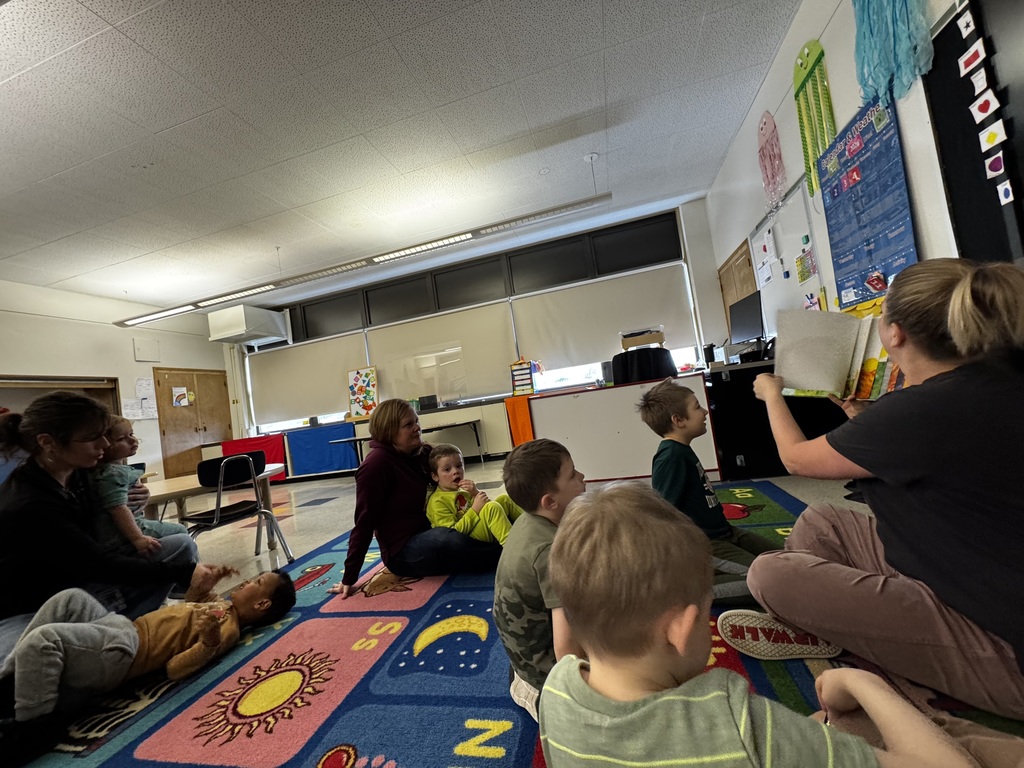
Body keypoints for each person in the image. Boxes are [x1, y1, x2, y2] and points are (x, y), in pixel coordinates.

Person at [730, 260, 1024, 720]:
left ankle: (869, 656)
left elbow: (795, 459)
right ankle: (846, 627)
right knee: (823, 520)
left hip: (1001, 643)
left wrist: (771, 394)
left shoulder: (919, 411)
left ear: (894, 334)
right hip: (961, 570)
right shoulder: (994, 382)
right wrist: (865, 422)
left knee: (770, 574)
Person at [539, 482, 982, 768]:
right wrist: (865, 682)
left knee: (822, 726)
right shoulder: (737, 721)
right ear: (682, 628)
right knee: (920, 732)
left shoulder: (557, 691)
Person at [0, 392, 230, 658]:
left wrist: (137, 500)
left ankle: (128, 630)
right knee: (37, 658)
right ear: (48, 443)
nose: (105, 443)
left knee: (178, 545)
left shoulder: (79, 473)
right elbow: (99, 565)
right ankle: (126, 636)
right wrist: (185, 572)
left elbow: (105, 523)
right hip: (39, 606)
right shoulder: (29, 504)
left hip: (82, 582)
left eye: (105, 434)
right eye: (91, 437)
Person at [0, 569, 295, 765]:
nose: (247, 582)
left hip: (124, 651)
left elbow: (175, 669)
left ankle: (33, 728)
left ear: (262, 605)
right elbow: (187, 610)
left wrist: (207, 643)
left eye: (256, 583)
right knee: (70, 598)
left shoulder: (226, 630)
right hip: (122, 627)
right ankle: (8, 679)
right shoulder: (220, 607)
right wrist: (202, 587)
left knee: (44, 640)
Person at [329, 399, 502, 598]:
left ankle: (514, 536)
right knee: (447, 539)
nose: (417, 428)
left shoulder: (421, 452)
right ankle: (505, 554)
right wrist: (349, 577)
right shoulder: (375, 466)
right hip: (404, 550)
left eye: (416, 421)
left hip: (439, 526)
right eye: (408, 425)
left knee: (493, 509)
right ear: (389, 430)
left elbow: (450, 469)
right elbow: (364, 523)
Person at [638, 379, 785, 608]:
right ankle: (686, 592)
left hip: (726, 533)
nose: (705, 411)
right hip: (707, 544)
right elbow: (663, 514)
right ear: (678, 421)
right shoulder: (670, 457)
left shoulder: (681, 450)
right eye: (697, 407)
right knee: (770, 582)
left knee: (787, 560)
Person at [493, 438, 586, 721]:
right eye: (572, 475)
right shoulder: (550, 552)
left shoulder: (530, 519)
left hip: (526, 658)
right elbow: (567, 650)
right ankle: (533, 697)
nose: (582, 477)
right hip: (544, 678)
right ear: (550, 501)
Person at [89, 416, 191, 555]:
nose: (132, 440)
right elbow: (118, 509)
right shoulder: (113, 473)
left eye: (131, 434)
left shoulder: (113, 471)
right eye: (121, 439)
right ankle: (196, 574)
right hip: (123, 532)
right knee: (181, 530)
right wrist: (137, 538)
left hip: (126, 528)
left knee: (178, 532)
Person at [425, 443, 522, 545]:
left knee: (504, 499)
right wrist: (475, 509)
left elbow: (485, 508)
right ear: (435, 476)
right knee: (492, 507)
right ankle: (513, 549)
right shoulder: (437, 502)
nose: (455, 471)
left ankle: (534, 525)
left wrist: (475, 493)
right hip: (466, 541)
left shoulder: (463, 490)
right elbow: (451, 536)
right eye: (447, 469)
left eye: (459, 466)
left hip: (477, 527)